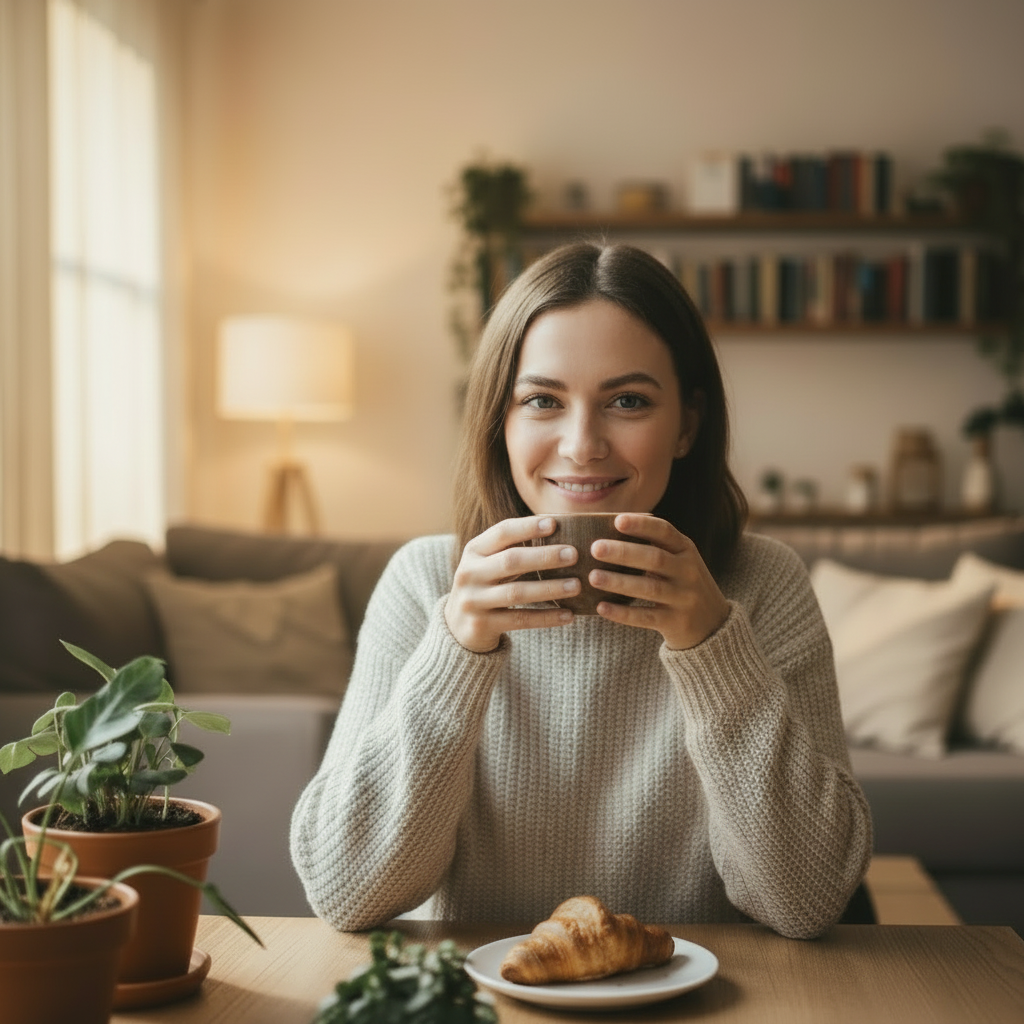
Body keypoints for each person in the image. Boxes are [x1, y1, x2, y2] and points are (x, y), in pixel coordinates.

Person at [290, 242, 872, 940]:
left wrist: (713, 645)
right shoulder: (423, 583)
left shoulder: (763, 584)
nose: (581, 444)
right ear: (498, 424)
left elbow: (805, 902)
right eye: (542, 401)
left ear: (686, 424)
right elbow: (346, 892)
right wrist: (457, 648)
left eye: (627, 401)